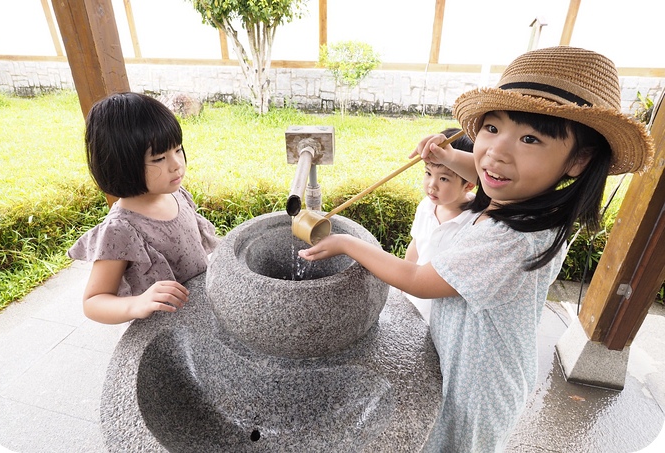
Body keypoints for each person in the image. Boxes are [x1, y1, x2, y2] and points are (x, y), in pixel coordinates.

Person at [299, 46, 654, 452]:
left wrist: (347, 242)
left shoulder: (511, 239)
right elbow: (489, 174)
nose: (496, 152)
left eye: (530, 138)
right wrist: (450, 156)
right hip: (477, 365)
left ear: (579, 160)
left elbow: (418, 279)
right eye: (491, 129)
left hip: (478, 386)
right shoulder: (527, 204)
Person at [68, 92, 219, 325]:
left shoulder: (176, 194)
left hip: (198, 312)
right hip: (161, 327)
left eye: (178, 150)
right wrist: (138, 303)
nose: (177, 164)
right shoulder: (121, 229)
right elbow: (93, 302)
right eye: (159, 158)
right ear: (121, 164)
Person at [404, 128, 477, 324]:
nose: (431, 185)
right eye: (428, 173)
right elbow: (416, 247)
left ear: (469, 184)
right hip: (414, 305)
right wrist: (400, 292)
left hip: (446, 319)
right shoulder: (426, 207)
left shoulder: (477, 221)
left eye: (444, 178)